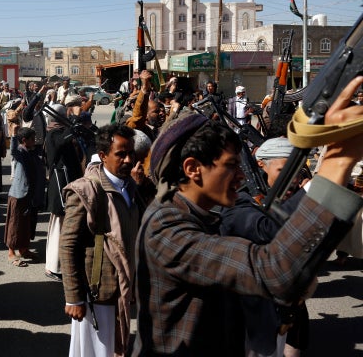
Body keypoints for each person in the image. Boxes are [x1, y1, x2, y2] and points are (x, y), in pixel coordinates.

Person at [134, 74, 363, 356]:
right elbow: (273, 270)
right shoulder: (166, 228)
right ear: (193, 168)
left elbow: (279, 237)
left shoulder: (206, 215)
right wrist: (338, 159)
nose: (241, 175)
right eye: (231, 165)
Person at [219, 137, 310, 357]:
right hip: (252, 311)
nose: (293, 180)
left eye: (297, 173)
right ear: (262, 164)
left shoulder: (285, 194)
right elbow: (267, 228)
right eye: (284, 171)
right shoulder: (239, 200)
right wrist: (312, 192)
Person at [60, 124, 144, 357]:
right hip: (97, 292)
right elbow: (68, 245)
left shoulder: (131, 187)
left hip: (122, 288)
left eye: (131, 153)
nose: (128, 160)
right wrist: (74, 297)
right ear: (104, 156)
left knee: (117, 346)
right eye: (121, 154)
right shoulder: (88, 190)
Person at [43, 103, 85, 282]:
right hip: (60, 183)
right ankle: (54, 266)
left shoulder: (64, 132)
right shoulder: (53, 133)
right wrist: (71, 131)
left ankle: (64, 264)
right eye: (65, 116)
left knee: (66, 225)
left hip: (69, 181)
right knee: (59, 227)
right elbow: (58, 146)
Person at [5, 126, 45, 267]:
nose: (35, 141)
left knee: (26, 225)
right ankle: (11, 252)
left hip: (30, 195)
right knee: (15, 225)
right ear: (24, 140)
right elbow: (13, 151)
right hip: (18, 195)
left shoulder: (32, 152)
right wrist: (14, 135)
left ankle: (23, 249)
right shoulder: (21, 152)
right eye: (32, 139)